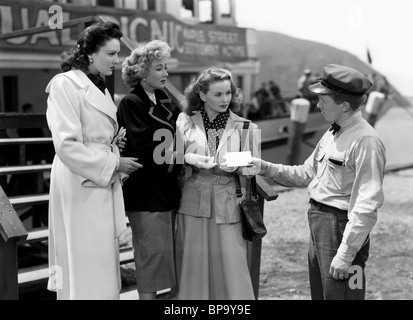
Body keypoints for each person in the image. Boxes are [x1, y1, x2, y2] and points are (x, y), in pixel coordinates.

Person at [250, 64, 386, 300]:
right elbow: (306, 173)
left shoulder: (365, 141)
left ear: (344, 105)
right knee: (323, 295)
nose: (317, 104)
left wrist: (346, 253)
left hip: (341, 227)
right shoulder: (334, 132)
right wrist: (264, 167)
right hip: (320, 223)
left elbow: (367, 203)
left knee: (343, 295)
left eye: (323, 99)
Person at [45, 21, 142, 300]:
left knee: (100, 258)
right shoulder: (65, 85)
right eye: (111, 54)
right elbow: (66, 144)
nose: (117, 60)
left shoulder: (98, 86)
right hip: (79, 182)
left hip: (98, 178)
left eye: (117, 53)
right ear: (90, 54)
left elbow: (93, 135)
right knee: (83, 259)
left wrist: (112, 144)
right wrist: (113, 163)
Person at [175, 67, 260, 300]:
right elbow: (173, 156)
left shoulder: (246, 126)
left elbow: (255, 164)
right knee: (194, 267)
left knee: (233, 268)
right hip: (194, 200)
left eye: (228, 93)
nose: (225, 99)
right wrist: (189, 158)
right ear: (202, 95)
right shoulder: (184, 121)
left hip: (228, 201)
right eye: (218, 94)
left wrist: (235, 162)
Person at [116, 40, 182, 300]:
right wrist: (179, 156)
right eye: (159, 68)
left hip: (168, 188)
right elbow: (142, 146)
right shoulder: (131, 103)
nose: (165, 73)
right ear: (142, 73)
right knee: (150, 256)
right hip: (145, 191)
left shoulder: (167, 101)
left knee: (170, 255)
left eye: (165, 67)